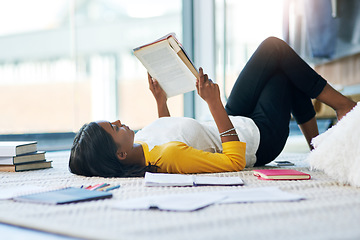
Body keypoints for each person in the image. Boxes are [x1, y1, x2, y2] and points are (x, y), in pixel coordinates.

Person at [69, 37, 356, 178]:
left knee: (272, 50)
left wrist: (161, 102)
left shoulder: (140, 148)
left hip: (233, 119)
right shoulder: (169, 159)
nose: (120, 122)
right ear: (119, 153)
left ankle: (319, 145)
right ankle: (345, 108)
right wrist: (214, 103)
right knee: (281, 69)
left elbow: (168, 134)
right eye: (115, 128)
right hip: (259, 139)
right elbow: (233, 162)